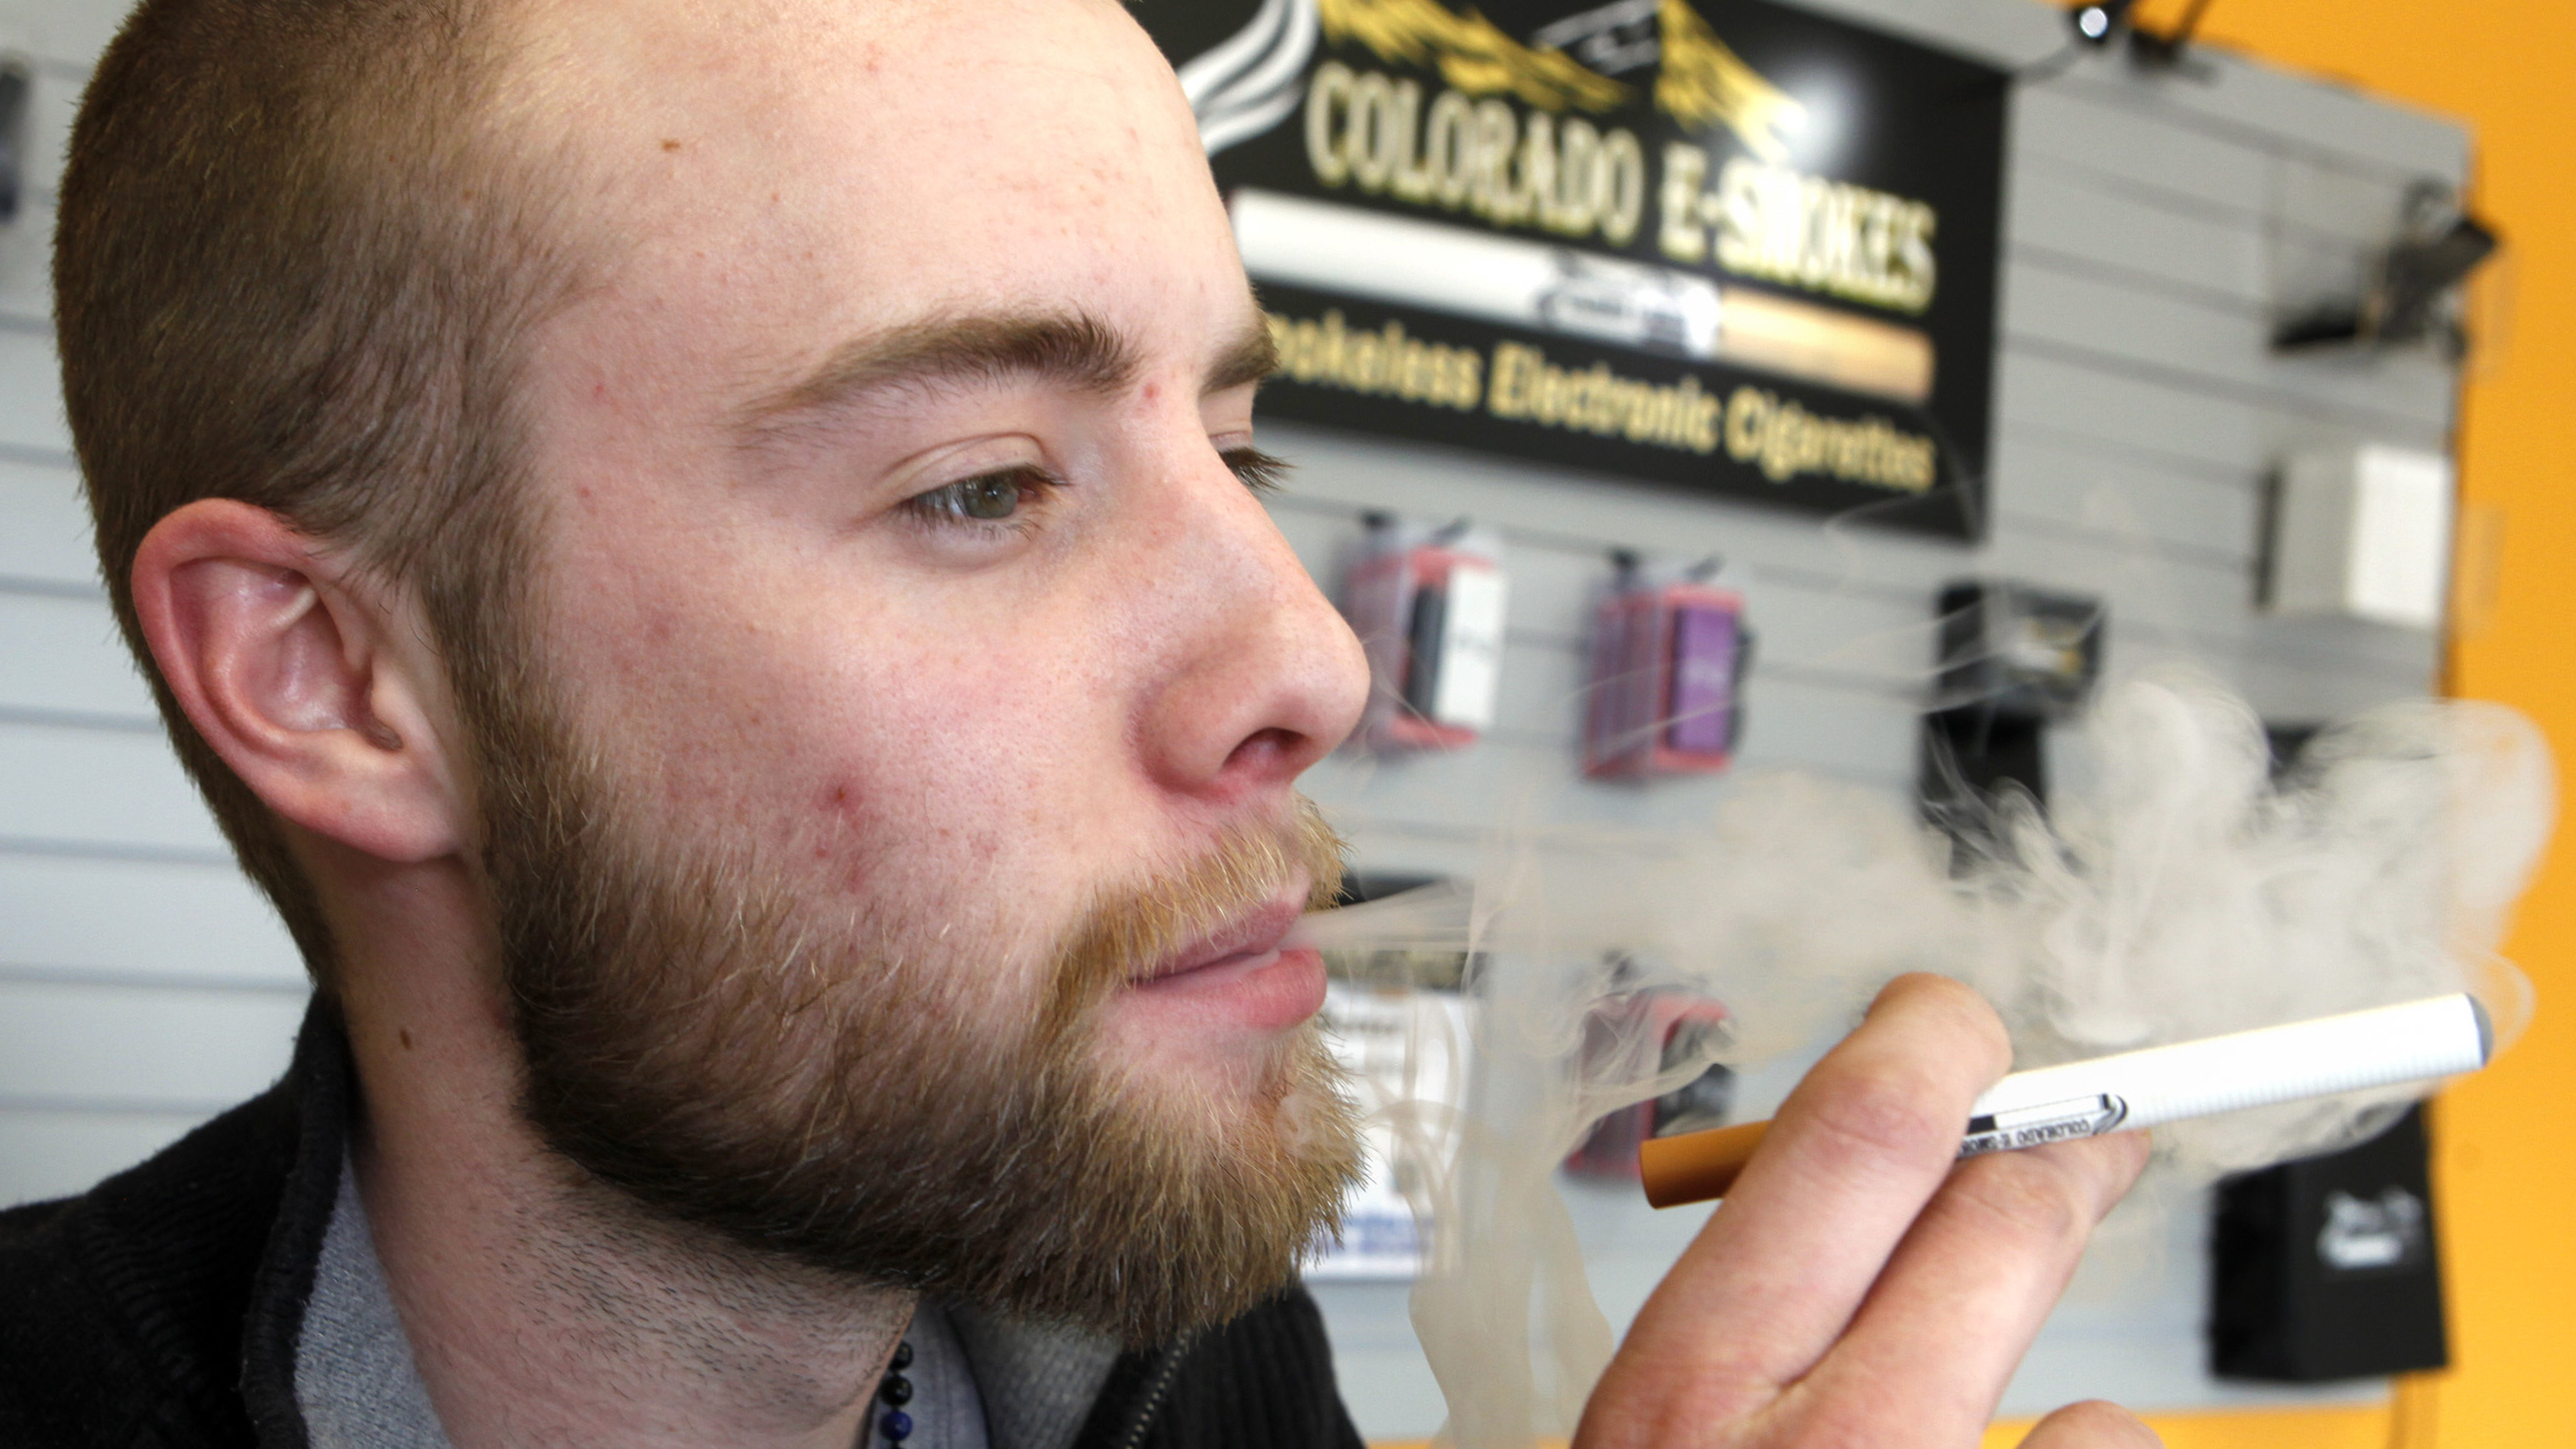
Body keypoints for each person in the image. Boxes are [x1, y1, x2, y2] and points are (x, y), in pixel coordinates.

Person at [0, 0, 2155, 1445]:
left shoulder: (1200, 1374)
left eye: (1242, 449)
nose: (1312, 658)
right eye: (979, 485)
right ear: (329, 674)